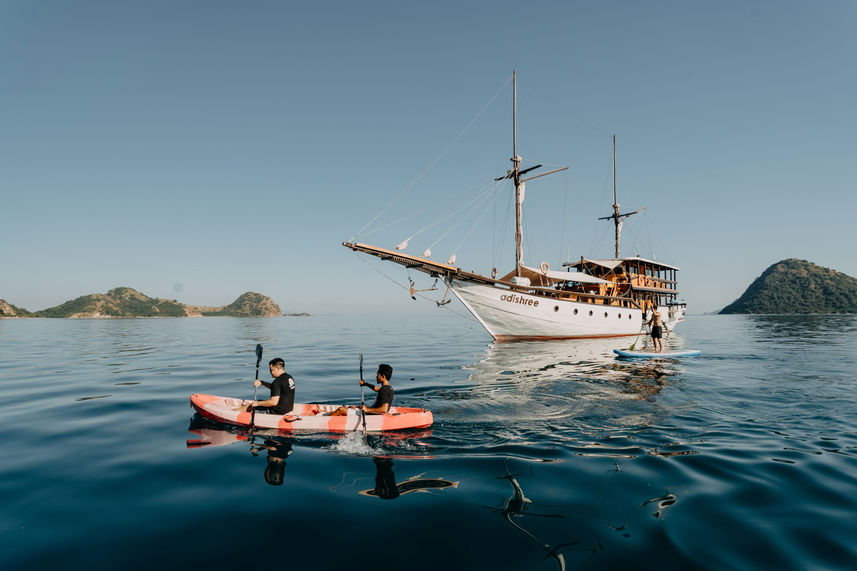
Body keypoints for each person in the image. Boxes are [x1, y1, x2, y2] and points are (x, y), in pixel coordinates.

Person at [329, 363, 394, 416]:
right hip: (372, 412)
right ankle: (329, 414)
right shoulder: (388, 388)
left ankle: (324, 419)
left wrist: (367, 410)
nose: (376, 377)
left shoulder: (384, 390)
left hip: (370, 415)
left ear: (383, 376)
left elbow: (384, 409)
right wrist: (365, 384)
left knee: (341, 409)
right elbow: (377, 389)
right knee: (352, 407)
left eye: (378, 375)